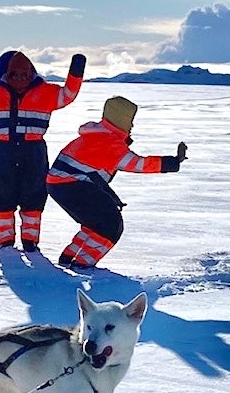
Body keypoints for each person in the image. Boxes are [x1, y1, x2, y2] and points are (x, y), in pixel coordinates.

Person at [0, 48, 87, 250]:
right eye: (15, 74)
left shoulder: (46, 93)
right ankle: (4, 242)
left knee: (34, 195)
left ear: (32, 74)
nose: (20, 79)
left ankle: (30, 241)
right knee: (0, 196)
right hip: (1, 151)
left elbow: (68, 94)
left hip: (33, 151)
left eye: (24, 74)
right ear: (8, 74)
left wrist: (77, 69)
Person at [47, 96, 186, 270]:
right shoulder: (109, 142)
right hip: (72, 186)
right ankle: (82, 265)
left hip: (61, 185)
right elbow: (137, 164)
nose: (132, 126)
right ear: (121, 120)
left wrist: (111, 198)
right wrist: (172, 162)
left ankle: (68, 258)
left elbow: (92, 175)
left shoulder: (95, 136)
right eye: (131, 121)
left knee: (95, 222)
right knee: (110, 225)